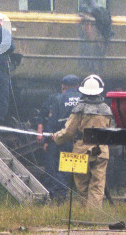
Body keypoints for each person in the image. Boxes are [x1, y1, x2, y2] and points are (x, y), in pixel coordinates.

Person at [46, 74, 113, 209]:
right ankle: (93, 215)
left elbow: (69, 131)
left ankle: (84, 214)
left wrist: (55, 137)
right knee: (98, 185)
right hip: (101, 151)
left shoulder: (79, 108)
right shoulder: (106, 109)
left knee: (82, 186)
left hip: (81, 151)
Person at [37, 74, 81, 200]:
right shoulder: (83, 99)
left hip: (63, 139)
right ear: (77, 85)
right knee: (75, 167)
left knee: (61, 167)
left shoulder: (59, 99)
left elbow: (52, 121)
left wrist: (47, 140)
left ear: (65, 86)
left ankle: (60, 196)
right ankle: (76, 195)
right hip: (79, 139)